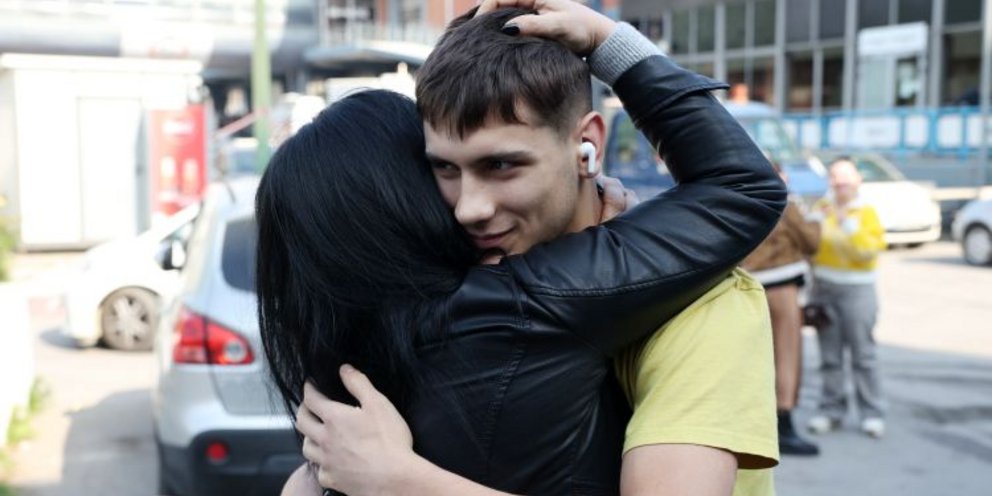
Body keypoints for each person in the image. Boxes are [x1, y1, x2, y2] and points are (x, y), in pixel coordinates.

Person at [260, 2, 785, 495]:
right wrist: (608, 42)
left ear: (588, 144)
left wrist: (400, 480)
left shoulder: (707, 306)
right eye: (442, 169)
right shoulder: (510, 301)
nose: (468, 209)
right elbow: (742, 189)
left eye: (500, 165)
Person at [742, 160, 822, 456]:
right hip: (782, 285)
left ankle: (754, 426)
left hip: (747, 287)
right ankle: (783, 424)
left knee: (753, 357)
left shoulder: (742, 200)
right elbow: (812, 241)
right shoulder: (784, 202)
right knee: (787, 355)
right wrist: (815, 220)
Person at [805, 158, 887, 438]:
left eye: (845, 178)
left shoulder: (867, 212)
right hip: (824, 289)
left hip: (858, 290)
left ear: (857, 181)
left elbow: (867, 251)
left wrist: (845, 223)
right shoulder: (821, 208)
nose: (840, 184)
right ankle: (831, 411)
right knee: (829, 356)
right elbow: (810, 245)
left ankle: (872, 413)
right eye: (834, 178)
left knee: (863, 355)